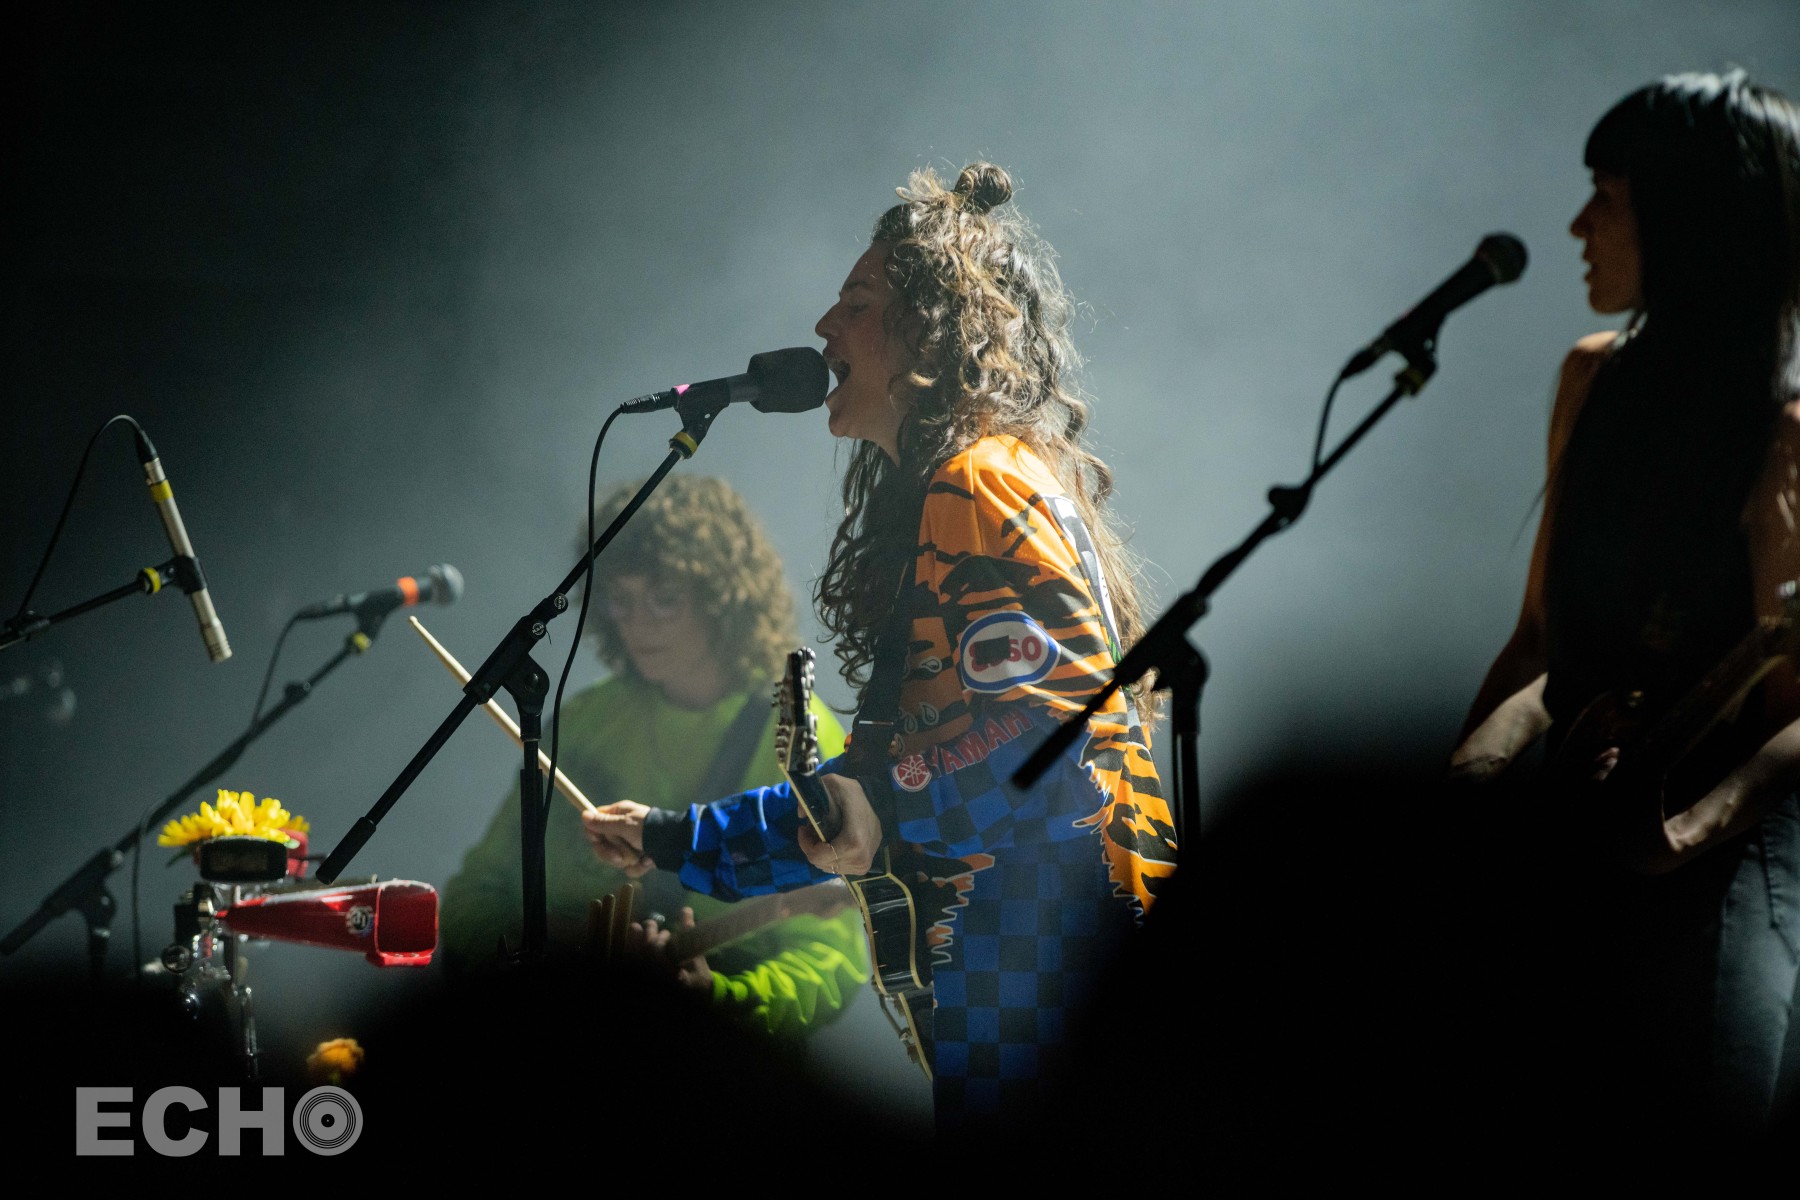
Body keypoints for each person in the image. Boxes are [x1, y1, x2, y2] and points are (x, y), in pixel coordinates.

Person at [585, 162, 1178, 1123]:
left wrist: (886, 803)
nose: (824, 326)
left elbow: (1052, 745)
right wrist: (672, 838)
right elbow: (868, 805)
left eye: (857, 304)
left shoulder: (978, 486)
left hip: (1051, 972)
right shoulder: (955, 497)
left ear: (929, 332)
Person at [1450, 71, 1800, 1136]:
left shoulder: (1784, 430)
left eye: (1608, 194)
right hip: (1570, 842)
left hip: (1723, 867)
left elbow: (1793, 712)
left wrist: (1681, 832)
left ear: (1691, 219)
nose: (1577, 225)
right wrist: (1470, 777)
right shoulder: (1590, 378)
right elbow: (1539, 647)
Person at [439, 475, 868, 1040]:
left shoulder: (797, 736)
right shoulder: (586, 720)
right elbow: (473, 898)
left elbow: (830, 961)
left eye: (665, 598)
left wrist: (719, 996)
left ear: (722, 597)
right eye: (621, 600)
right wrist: (567, 955)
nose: (638, 623)